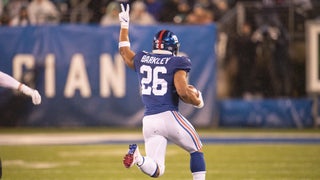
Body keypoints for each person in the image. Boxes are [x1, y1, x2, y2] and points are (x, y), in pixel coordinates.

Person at [118, 3, 206, 180]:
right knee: (196, 149)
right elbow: (182, 91)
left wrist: (124, 26)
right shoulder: (178, 62)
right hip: (168, 115)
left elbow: (124, 52)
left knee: (157, 169)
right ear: (172, 47)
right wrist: (197, 100)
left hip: (149, 121)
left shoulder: (143, 58)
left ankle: (138, 158)